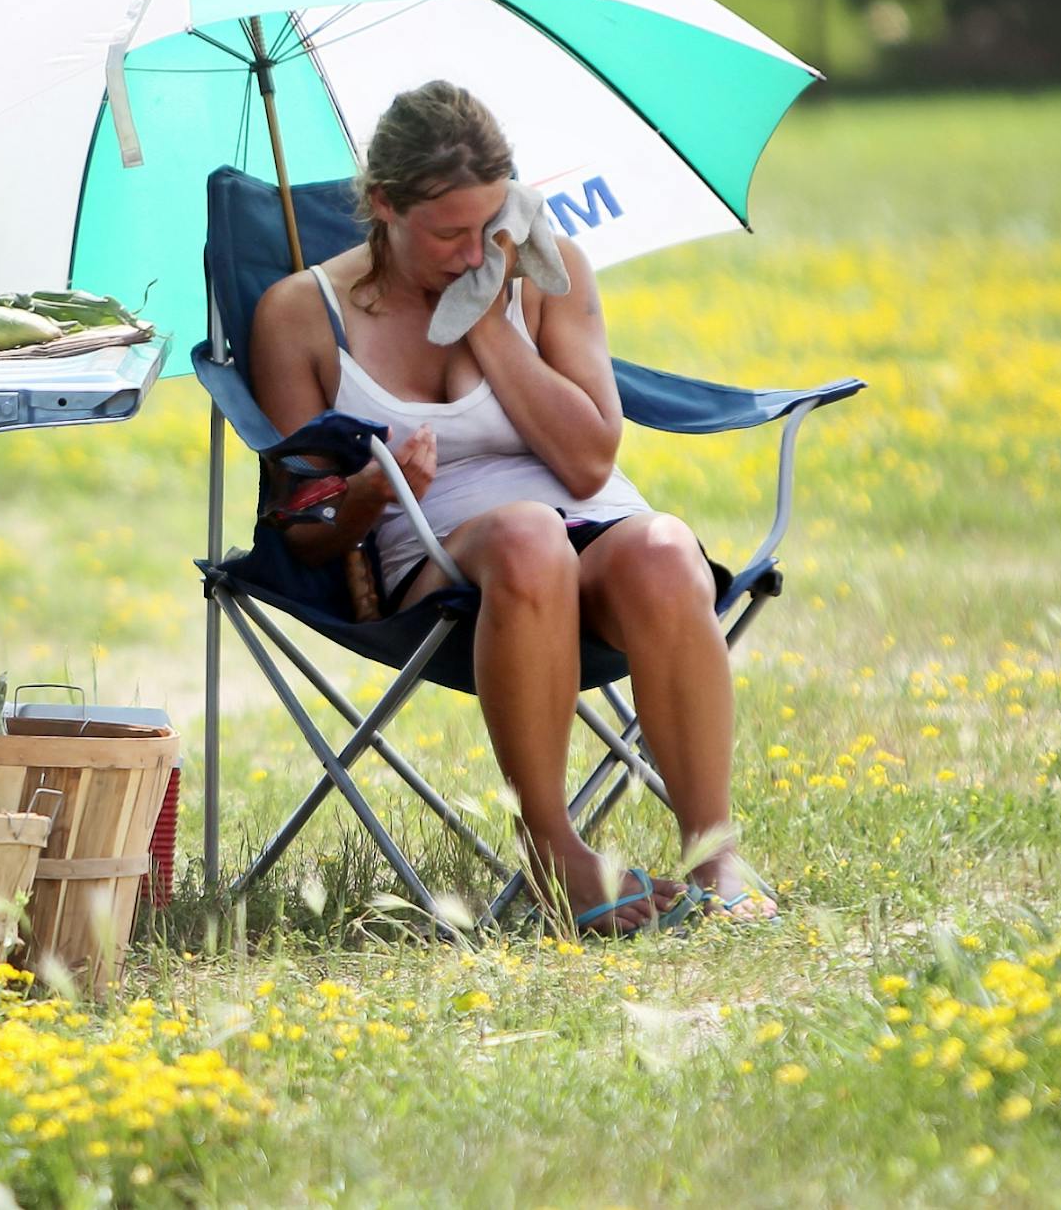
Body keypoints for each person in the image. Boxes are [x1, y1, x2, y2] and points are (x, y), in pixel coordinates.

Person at [246, 80, 774, 935]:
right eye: (449, 233)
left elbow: (591, 455)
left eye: (491, 225)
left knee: (668, 548)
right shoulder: (300, 317)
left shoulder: (540, 275)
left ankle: (714, 852)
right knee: (531, 537)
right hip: (443, 565)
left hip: (595, 530)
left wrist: (489, 325)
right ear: (383, 205)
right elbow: (306, 533)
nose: (472, 251)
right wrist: (375, 492)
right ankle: (555, 848)